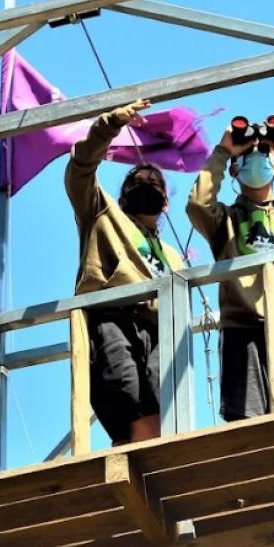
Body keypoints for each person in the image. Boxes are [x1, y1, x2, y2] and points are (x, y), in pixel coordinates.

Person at [186, 116, 274, 420]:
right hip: (243, 329)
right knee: (249, 428)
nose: (257, 158)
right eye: (248, 155)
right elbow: (198, 205)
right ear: (236, 170)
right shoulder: (225, 221)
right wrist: (224, 152)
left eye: (265, 153)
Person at [65, 98, 184, 444]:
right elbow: (80, 169)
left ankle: (153, 471)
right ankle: (138, 468)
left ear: (165, 203)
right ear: (123, 195)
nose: (145, 182)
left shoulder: (174, 257)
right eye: (136, 181)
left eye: (154, 183)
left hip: (160, 331)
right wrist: (110, 125)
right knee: (130, 408)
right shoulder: (102, 215)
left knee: (162, 414)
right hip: (114, 318)